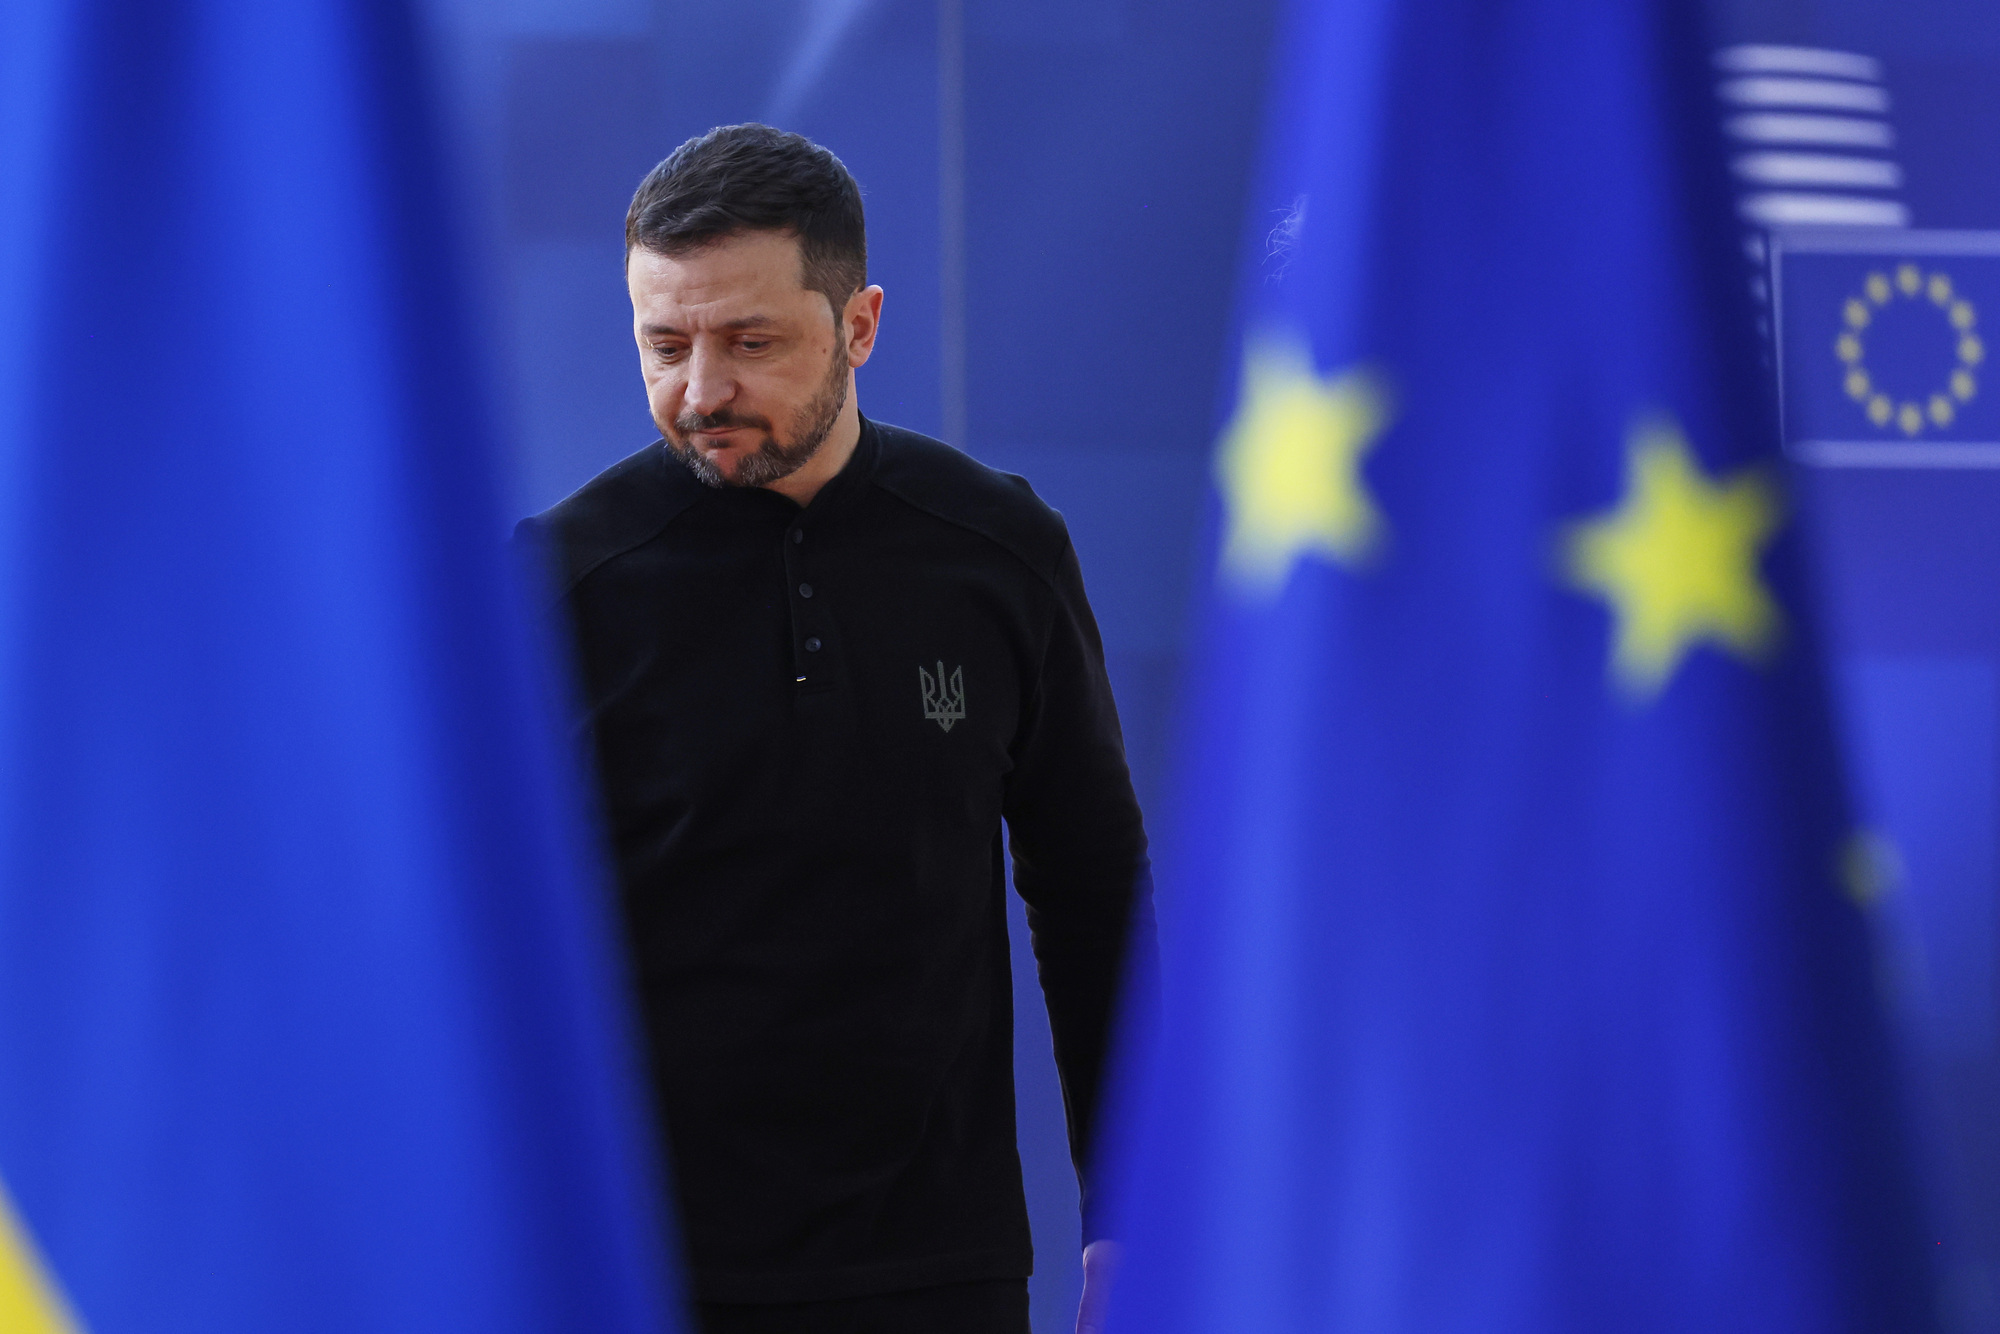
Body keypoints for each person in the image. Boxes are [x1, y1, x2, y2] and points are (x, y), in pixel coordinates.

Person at [517, 123, 1155, 1334]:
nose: (700, 391)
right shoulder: (557, 583)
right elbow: (487, 944)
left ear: (858, 325)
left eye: (749, 342)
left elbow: (1093, 893)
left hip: (940, 1267)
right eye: (665, 345)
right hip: (637, 1270)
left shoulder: (998, 552)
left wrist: (1131, 1210)